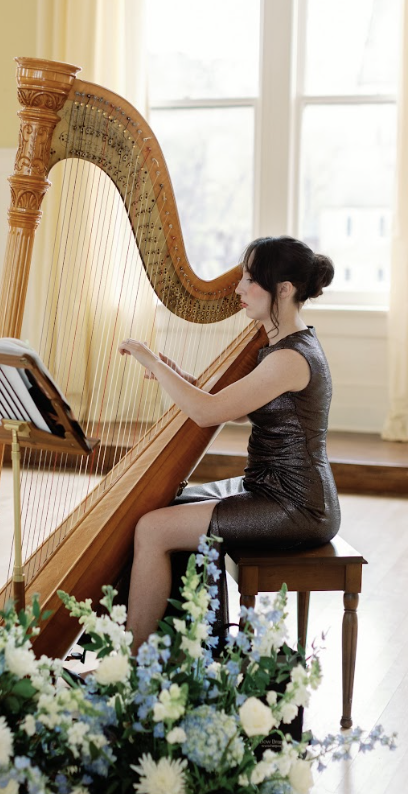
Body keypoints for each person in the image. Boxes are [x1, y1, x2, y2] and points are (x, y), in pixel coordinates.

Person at [118, 235, 340, 651]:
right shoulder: (279, 346)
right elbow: (236, 408)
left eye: (251, 279)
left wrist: (151, 361)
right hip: (268, 490)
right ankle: (188, 649)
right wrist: (176, 373)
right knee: (165, 503)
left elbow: (207, 413)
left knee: (153, 528)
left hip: (295, 506)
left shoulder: (290, 358)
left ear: (284, 290)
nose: (238, 288)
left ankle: (135, 661)